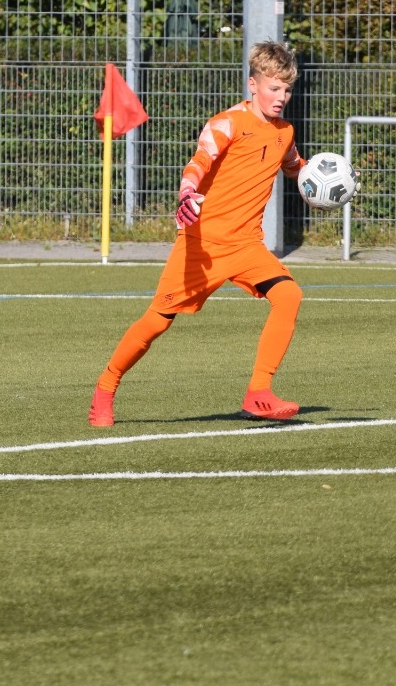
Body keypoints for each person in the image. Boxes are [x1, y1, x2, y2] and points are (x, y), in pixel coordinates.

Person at [89, 41, 308, 426]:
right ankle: (106, 386)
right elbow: (199, 161)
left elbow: (297, 168)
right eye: (274, 88)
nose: (281, 97)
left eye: (287, 90)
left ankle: (259, 393)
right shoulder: (227, 123)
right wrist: (187, 190)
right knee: (157, 321)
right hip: (203, 246)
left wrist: (329, 181)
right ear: (253, 84)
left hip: (247, 246)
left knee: (289, 295)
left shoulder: (284, 132)